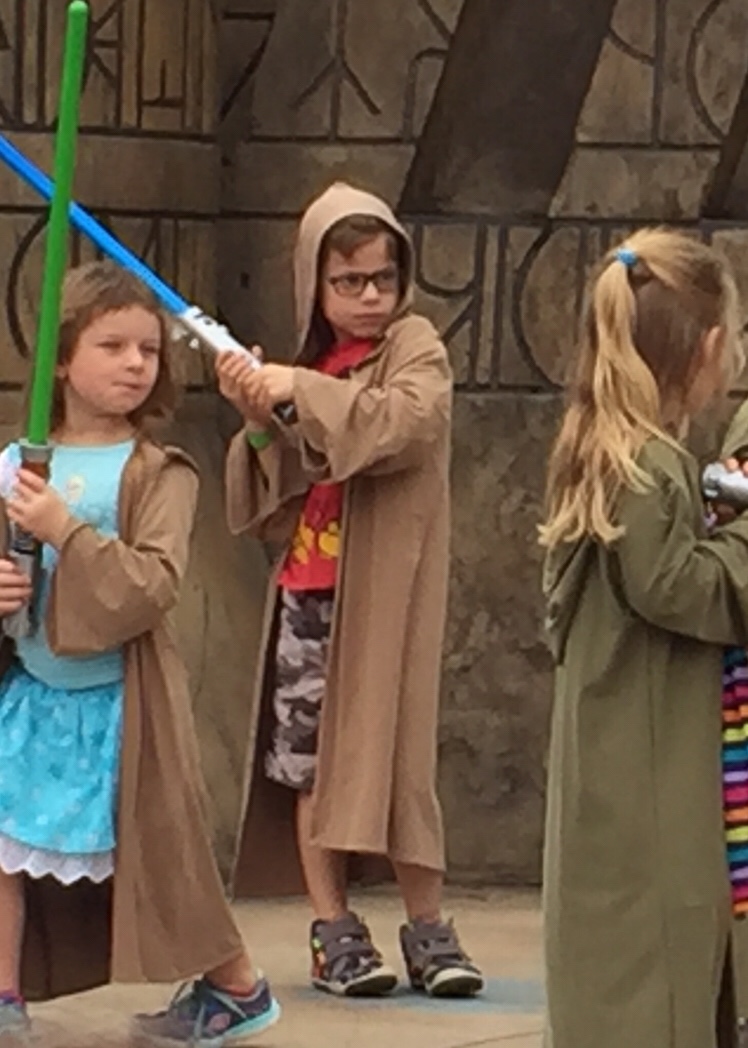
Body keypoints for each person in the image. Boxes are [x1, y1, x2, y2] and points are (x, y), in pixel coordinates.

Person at [0, 261, 279, 1045]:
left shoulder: (158, 472)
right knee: (1, 844)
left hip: (123, 707)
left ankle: (238, 984)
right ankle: (4, 993)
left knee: (164, 862)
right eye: (112, 346)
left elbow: (153, 585)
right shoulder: (20, 462)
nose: (135, 364)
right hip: (34, 698)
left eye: (149, 350)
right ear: (61, 358)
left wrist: (65, 530)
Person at [215, 182, 483, 999]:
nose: (369, 297)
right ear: (315, 284)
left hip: (386, 601)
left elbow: (404, 423)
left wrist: (297, 389)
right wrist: (257, 416)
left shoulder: (416, 346)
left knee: (400, 759)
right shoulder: (308, 366)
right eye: (348, 281)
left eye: (382, 278)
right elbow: (276, 497)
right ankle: (334, 930)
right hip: (310, 590)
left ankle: (428, 927)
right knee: (307, 767)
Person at [539, 228, 748, 1048]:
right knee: (649, 993)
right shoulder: (649, 467)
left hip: (619, 776)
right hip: (647, 789)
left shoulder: (605, 447)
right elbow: (679, 588)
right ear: (709, 348)